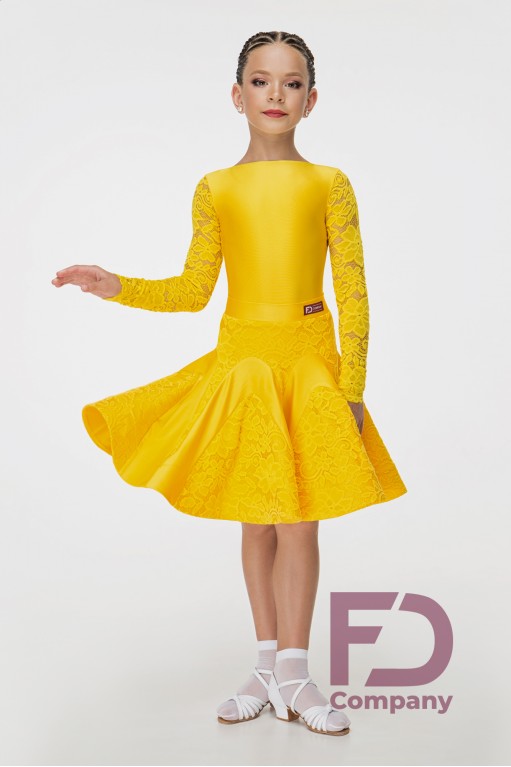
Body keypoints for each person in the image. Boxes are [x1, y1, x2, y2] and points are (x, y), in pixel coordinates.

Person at [51, 30, 407, 736]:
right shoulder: (215, 187)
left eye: (291, 83)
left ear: (311, 100)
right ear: (237, 95)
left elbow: (354, 292)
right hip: (242, 363)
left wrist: (352, 384)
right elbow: (193, 290)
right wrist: (116, 285)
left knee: (299, 516)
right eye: (261, 80)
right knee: (257, 515)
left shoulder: (328, 183)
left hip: (309, 363)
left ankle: (297, 672)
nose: (276, 94)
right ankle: (267, 666)